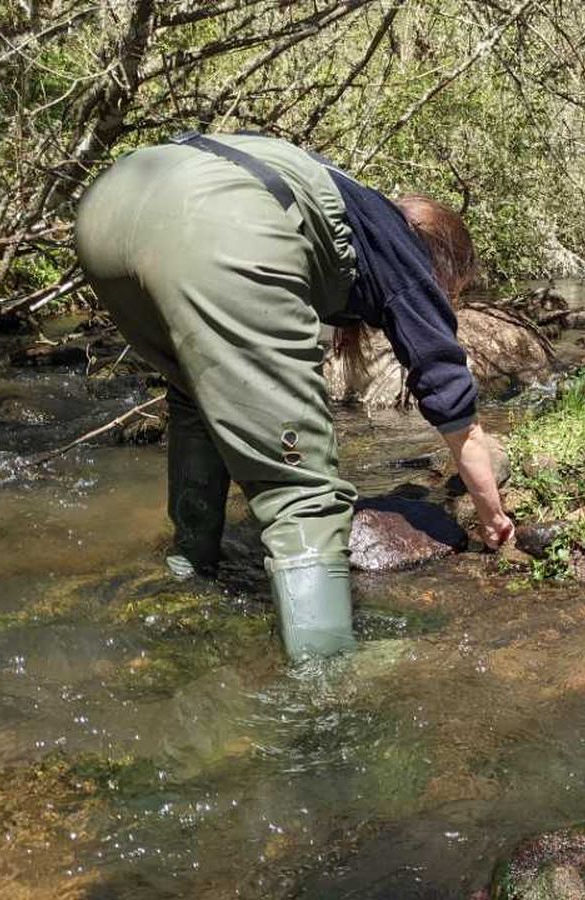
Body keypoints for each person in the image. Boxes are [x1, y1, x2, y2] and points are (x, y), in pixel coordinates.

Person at [74, 132, 514, 661]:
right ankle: (324, 681)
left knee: (195, 397)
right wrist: (492, 515)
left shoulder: (353, 205)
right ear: (441, 260)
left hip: (110, 210)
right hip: (219, 221)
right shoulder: (402, 249)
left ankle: (189, 573)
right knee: (302, 489)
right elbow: (448, 395)